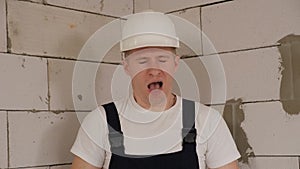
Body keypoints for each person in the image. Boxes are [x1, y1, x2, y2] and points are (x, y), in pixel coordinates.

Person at [71, 11, 240, 169]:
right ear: (126, 66)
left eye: (162, 59)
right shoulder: (100, 122)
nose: (154, 69)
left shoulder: (207, 120)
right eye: (142, 61)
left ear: (175, 63)